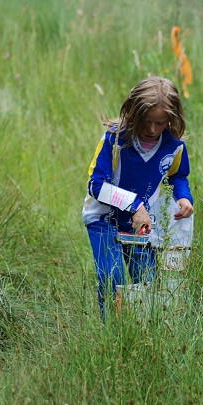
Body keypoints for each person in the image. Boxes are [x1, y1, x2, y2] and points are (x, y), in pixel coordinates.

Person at [82, 76, 194, 313]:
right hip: (104, 221)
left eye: (160, 123)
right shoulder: (114, 140)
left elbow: (177, 176)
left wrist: (184, 197)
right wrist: (135, 205)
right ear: (133, 113)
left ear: (172, 119)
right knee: (112, 276)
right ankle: (111, 333)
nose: (152, 130)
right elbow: (96, 185)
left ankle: (140, 335)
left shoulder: (174, 147)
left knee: (148, 282)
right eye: (147, 122)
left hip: (142, 226)